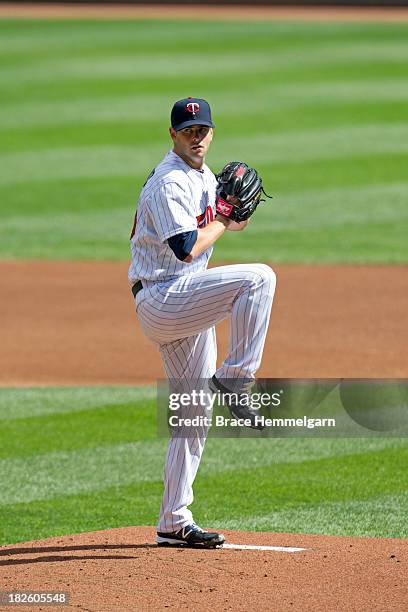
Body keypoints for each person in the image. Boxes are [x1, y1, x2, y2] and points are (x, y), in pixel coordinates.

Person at [128, 97, 276, 548]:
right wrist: (226, 216)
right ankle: (235, 378)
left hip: (183, 300)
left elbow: (231, 225)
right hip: (163, 296)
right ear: (172, 134)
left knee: (193, 412)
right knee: (259, 278)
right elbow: (187, 248)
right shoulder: (169, 181)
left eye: (203, 130)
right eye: (188, 130)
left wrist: (238, 210)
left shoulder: (204, 177)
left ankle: (173, 520)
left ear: (212, 133)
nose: (197, 137)